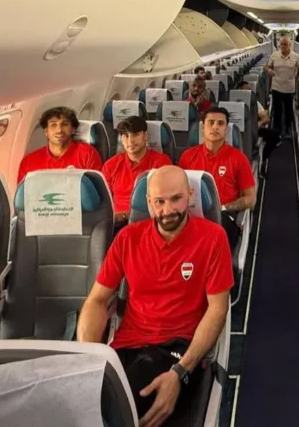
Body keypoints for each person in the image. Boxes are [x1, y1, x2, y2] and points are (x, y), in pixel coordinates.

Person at [78, 166, 233, 427]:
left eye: (176, 199)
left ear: (190, 195)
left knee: (117, 407)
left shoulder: (213, 238)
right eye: (159, 202)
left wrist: (180, 372)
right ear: (148, 202)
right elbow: (97, 300)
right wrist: (90, 360)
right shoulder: (127, 238)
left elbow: (217, 309)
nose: (168, 210)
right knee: (82, 400)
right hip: (126, 347)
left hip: (178, 349)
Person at [178, 107, 256, 251]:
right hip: (192, 214)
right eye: (211, 122)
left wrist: (224, 208)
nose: (215, 127)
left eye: (220, 123)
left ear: (226, 130)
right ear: (202, 127)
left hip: (223, 215)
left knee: (212, 240)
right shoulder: (187, 156)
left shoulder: (239, 159)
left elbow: (250, 199)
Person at [102, 116, 172, 227]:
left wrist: (128, 215)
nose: (130, 141)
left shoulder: (161, 162)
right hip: (117, 222)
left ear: (145, 136)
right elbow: (104, 201)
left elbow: (166, 199)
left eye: (135, 135)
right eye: (125, 136)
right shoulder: (111, 165)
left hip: (149, 221)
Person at [17, 106, 103, 184]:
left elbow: (95, 189)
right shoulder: (29, 162)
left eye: (64, 124)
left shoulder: (88, 154)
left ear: (73, 130)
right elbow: (24, 194)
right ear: (46, 131)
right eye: (53, 125)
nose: (59, 130)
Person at [265, 36, 299, 139]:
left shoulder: (295, 56)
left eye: (285, 44)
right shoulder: (274, 55)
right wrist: (269, 70)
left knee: (289, 110)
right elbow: (267, 66)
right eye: (281, 44)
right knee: (277, 110)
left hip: (289, 88)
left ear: (290, 45)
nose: (283, 46)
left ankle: (288, 129)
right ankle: (277, 130)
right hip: (276, 87)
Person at [238, 81, 280, 167]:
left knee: (275, 134)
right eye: (247, 89)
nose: (249, 92)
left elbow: (266, 118)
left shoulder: (255, 103)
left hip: (253, 130)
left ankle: (263, 158)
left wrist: (258, 124)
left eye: (250, 89)